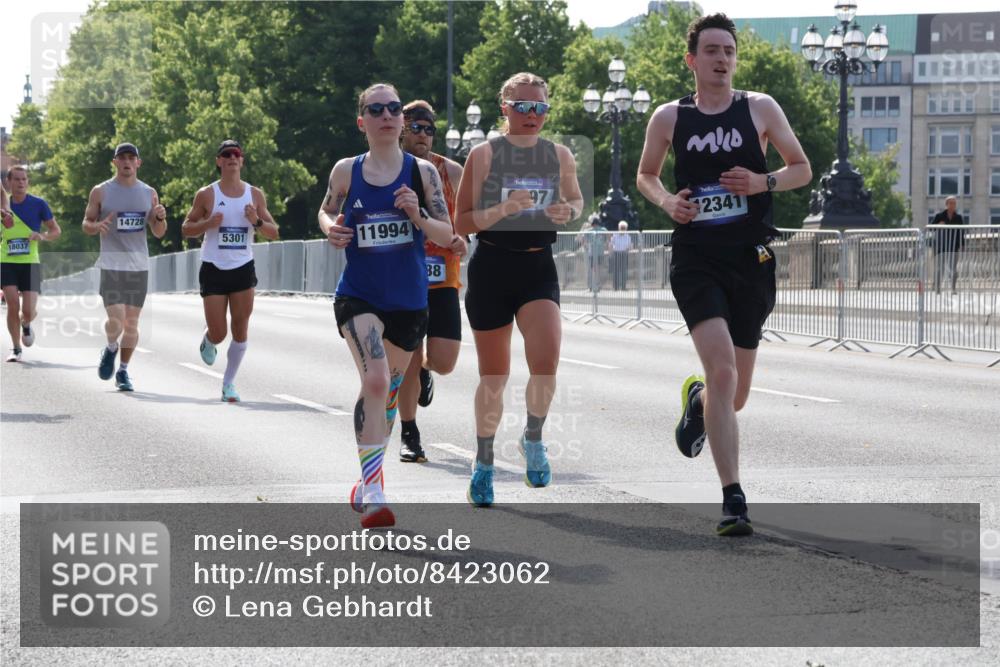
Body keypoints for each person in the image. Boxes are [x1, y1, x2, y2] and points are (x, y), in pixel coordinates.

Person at [636, 13, 811, 536]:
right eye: (711, 50)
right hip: (696, 258)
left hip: (750, 257)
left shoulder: (758, 108)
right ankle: (733, 497)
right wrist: (668, 200)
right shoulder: (670, 117)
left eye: (729, 51)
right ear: (692, 60)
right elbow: (645, 175)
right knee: (724, 372)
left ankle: (698, 400)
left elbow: (801, 168)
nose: (722, 59)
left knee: (733, 395)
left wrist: (763, 181)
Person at [319, 83, 456, 528]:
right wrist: (330, 228)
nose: (387, 114)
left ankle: (365, 481)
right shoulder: (346, 171)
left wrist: (417, 216)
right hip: (359, 294)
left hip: (409, 301)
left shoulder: (423, 173)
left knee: (389, 395)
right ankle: (376, 492)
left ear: (400, 119)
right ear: (363, 122)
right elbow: (326, 210)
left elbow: (445, 235)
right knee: (376, 380)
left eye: (394, 108)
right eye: (376, 109)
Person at [455, 72, 584, 507]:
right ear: (505, 109)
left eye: (540, 107)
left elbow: (576, 201)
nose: (533, 115)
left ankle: (533, 437)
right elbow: (462, 221)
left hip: (536, 265)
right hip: (491, 266)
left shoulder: (559, 154)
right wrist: (504, 208)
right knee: (494, 376)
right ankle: (484, 462)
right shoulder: (484, 155)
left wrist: (568, 210)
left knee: (546, 359)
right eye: (523, 106)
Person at [396, 100, 468, 463]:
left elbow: (467, 217)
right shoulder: (388, 169)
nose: (423, 134)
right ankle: (410, 433)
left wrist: (464, 238)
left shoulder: (451, 171)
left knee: (443, 361)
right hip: (401, 279)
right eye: (415, 127)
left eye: (429, 129)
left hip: (443, 277)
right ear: (401, 128)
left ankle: (426, 370)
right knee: (408, 358)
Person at [181, 140, 279, 402]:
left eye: (237, 154)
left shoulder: (254, 195)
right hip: (214, 267)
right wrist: (207, 223)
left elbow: (273, 231)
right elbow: (186, 228)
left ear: (242, 161)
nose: (232, 158)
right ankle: (209, 338)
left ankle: (229, 383)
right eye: (227, 154)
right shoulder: (207, 195)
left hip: (242, 268)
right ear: (219, 161)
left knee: (240, 328)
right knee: (219, 332)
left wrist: (256, 221)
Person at [83, 143, 166, 390]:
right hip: (111, 264)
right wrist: (96, 226)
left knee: (132, 324)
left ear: (138, 163)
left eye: (132, 158)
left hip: (138, 266)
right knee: (117, 320)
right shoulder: (101, 192)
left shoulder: (148, 193)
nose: (127, 162)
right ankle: (110, 347)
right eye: (122, 158)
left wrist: (160, 217)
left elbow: (159, 232)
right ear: (115, 162)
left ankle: (123, 371)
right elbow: (86, 223)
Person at [1, 166, 61, 362]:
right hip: (6, 261)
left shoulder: (38, 204)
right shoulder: (4, 205)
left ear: (28, 182)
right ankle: (16, 348)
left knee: (27, 310)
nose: (21, 183)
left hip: (30, 263)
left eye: (24, 179)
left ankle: (25, 323)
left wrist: (41, 236)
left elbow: (55, 231)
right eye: (17, 179)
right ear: (9, 182)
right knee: (12, 304)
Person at [929, 196, 964, 294]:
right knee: (940, 268)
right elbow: (930, 228)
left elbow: (961, 232)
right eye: (951, 203)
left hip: (954, 246)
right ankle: (937, 288)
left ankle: (953, 289)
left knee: (954, 269)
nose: (953, 205)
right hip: (941, 247)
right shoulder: (939, 216)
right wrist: (938, 225)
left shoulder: (958, 217)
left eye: (954, 203)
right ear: (946, 204)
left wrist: (962, 244)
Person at [608, 220, 632, 290]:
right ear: (619, 228)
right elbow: (611, 245)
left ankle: (623, 287)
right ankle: (615, 287)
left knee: (624, 271)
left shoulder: (628, 236)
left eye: (624, 228)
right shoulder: (615, 235)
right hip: (616, 253)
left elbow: (629, 246)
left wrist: (629, 249)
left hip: (624, 254)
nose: (623, 229)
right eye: (621, 228)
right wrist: (610, 253)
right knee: (616, 271)